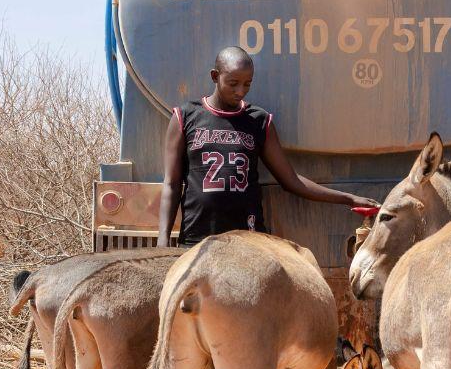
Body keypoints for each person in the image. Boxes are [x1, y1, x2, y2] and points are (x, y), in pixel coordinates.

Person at [158, 46, 378, 248]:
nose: (241, 91)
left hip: (249, 241)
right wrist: (163, 238)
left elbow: (291, 181)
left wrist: (348, 199)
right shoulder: (186, 116)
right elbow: (172, 183)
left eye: (247, 84)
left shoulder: (259, 121)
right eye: (233, 83)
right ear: (215, 77)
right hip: (197, 240)